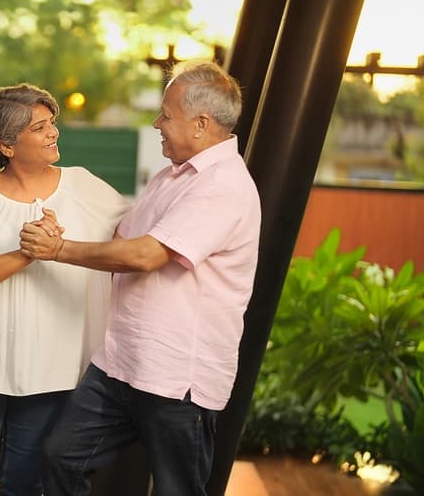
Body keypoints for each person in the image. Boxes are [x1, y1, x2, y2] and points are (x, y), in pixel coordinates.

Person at [19, 60, 261, 496]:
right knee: (61, 457)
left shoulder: (224, 186)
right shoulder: (173, 176)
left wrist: (57, 250)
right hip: (120, 364)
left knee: (176, 490)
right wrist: (58, 226)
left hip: (176, 379)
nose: (157, 123)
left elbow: (147, 255)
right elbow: (122, 236)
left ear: (201, 124)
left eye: (166, 115)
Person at [0, 83, 129, 496]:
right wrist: (29, 253)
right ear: (6, 145)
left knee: (25, 486)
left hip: (52, 370)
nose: (53, 132)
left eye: (52, 123)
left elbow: (135, 239)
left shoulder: (84, 187)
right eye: (40, 127)